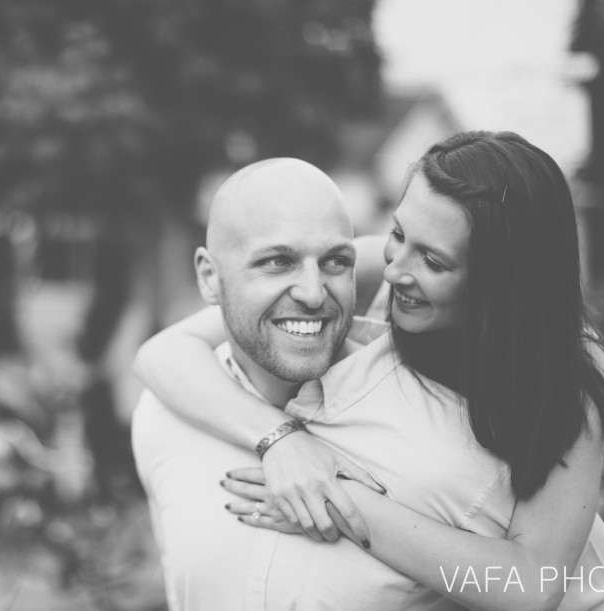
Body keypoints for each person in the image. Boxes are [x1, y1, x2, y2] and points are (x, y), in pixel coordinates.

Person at [134, 131, 604, 610]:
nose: (394, 272)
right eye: (398, 232)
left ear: (499, 284)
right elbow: (166, 352)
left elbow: (532, 586)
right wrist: (280, 439)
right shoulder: (378, 268)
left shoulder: (565, 374)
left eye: (434, 262)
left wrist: (334, 497)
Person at [132, 158, 462, 610]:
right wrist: (279, 437)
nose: (312, 292)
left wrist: (365, 516)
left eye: (335, 262)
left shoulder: (439, 426)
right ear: (210, 277)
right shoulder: (162, 415)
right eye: (277, 261)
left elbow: (553, 584)